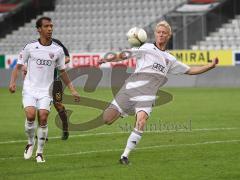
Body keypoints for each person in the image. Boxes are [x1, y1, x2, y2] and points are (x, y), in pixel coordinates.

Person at [99, 20, 218, 165]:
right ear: (155, 34)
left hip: (147, 94)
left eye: (164, 33)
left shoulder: (170, 59)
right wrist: (106, 59)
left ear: (169, 36)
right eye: (159, 32)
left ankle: (125, 156)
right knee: (107, 119)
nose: (161, 35)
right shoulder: (146, 48)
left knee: (141, 121)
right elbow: (124, 55)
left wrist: (210, 66)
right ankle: (125, 111)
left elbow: (191, 70)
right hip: (130, 89)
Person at [9, 16, 80, 163]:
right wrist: (13, 82)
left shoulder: (58, 48)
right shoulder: (30, 47)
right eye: (47, 26)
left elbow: (64, 67)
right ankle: (30, 142)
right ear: (39, 29)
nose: (50, 29)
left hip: (51, 86)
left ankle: (42, 151)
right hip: (30, 87)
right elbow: (19, 64)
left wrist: (72, 89)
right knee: (30, 115)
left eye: (51, 26)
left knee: (47, 114)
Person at [22, 38, 71, 140]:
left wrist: (55, 61)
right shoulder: (34, 46)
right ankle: (42, 134)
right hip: (39, 83)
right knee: (41, 107)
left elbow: (67, 58)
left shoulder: (57, 44)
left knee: (58, 105)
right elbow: (26, 61)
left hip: (54, 81)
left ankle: (65, 128)